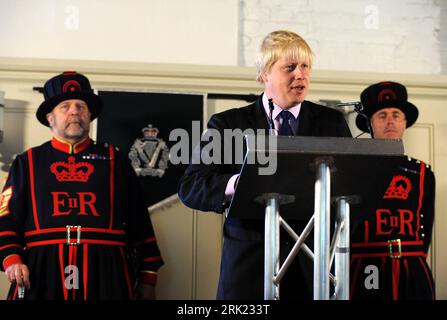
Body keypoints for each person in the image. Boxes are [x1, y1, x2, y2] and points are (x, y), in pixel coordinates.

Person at [178, 30, 352, 299]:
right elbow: (192, 187)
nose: (300, 75)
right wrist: (241, 182)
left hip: (311, 271)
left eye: (305, 66)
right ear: (264, 74)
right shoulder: (228, 125)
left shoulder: (331, 123)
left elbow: (348, 186)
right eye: (290, 67)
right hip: (248, 271)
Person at [0, 71, 163, 300]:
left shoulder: (116, 160)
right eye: (65, 106)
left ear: (89, 115)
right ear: (50, 118)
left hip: (106, 270)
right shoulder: (27, 162)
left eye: (81, 106)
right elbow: (7, 219)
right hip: (42, 269)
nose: (74, 111)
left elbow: (139, 221)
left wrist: (148, 275)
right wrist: (11, 258)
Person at [351, 81, 435, 300]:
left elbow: (426, 228)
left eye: (396, 114)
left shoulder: (423, 172)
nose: (390, 121)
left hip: (412, 267)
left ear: (405, 123)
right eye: (382, 115)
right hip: (364, 267)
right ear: (370, 124)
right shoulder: (352, 169)